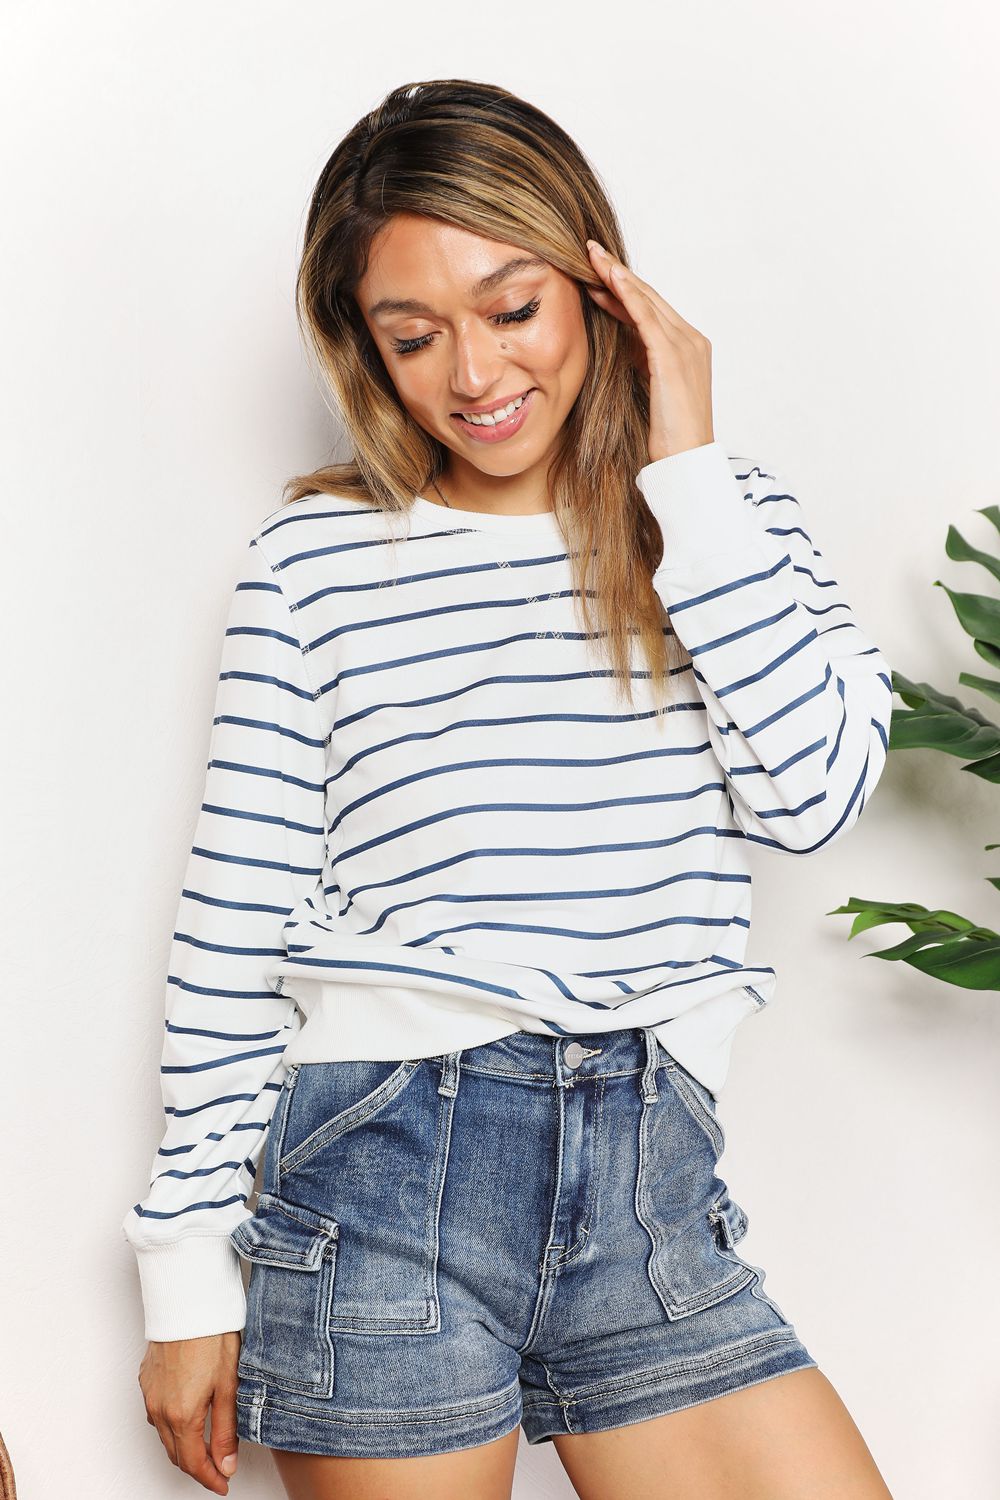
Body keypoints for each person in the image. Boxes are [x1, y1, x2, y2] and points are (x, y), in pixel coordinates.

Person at [126, 78, 896, 1500]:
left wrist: (694, 475)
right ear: (364, 349)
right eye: (410, 336)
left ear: (601, 286)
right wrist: (184, 1275)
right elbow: (233, 919)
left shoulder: (724, 521)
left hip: (650, 1183)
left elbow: (813, 802)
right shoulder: (315, 564)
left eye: (513, 310)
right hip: (386, 1169)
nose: (471, 375)